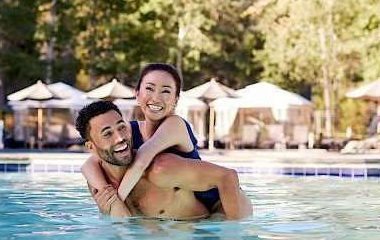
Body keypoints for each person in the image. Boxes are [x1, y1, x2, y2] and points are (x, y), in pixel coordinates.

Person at [81, 63, 230, 214]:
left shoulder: (175, 125)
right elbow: (90, 163)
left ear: (176, 100)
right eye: (149, 89)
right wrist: (106, 196)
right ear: (137, 94)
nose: (156, 98)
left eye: (165, 91)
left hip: (221, 201)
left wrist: (116, 204)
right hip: (191, 207)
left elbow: (140, 163)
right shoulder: (126, 130)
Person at [75, 99, 253, 220]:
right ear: (91, 147)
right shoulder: (99, 184)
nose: (120, 138)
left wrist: (231, 236)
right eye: (107, 134)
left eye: (122, 127)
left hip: (201, 238)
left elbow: (228, 177)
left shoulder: (161, 169)